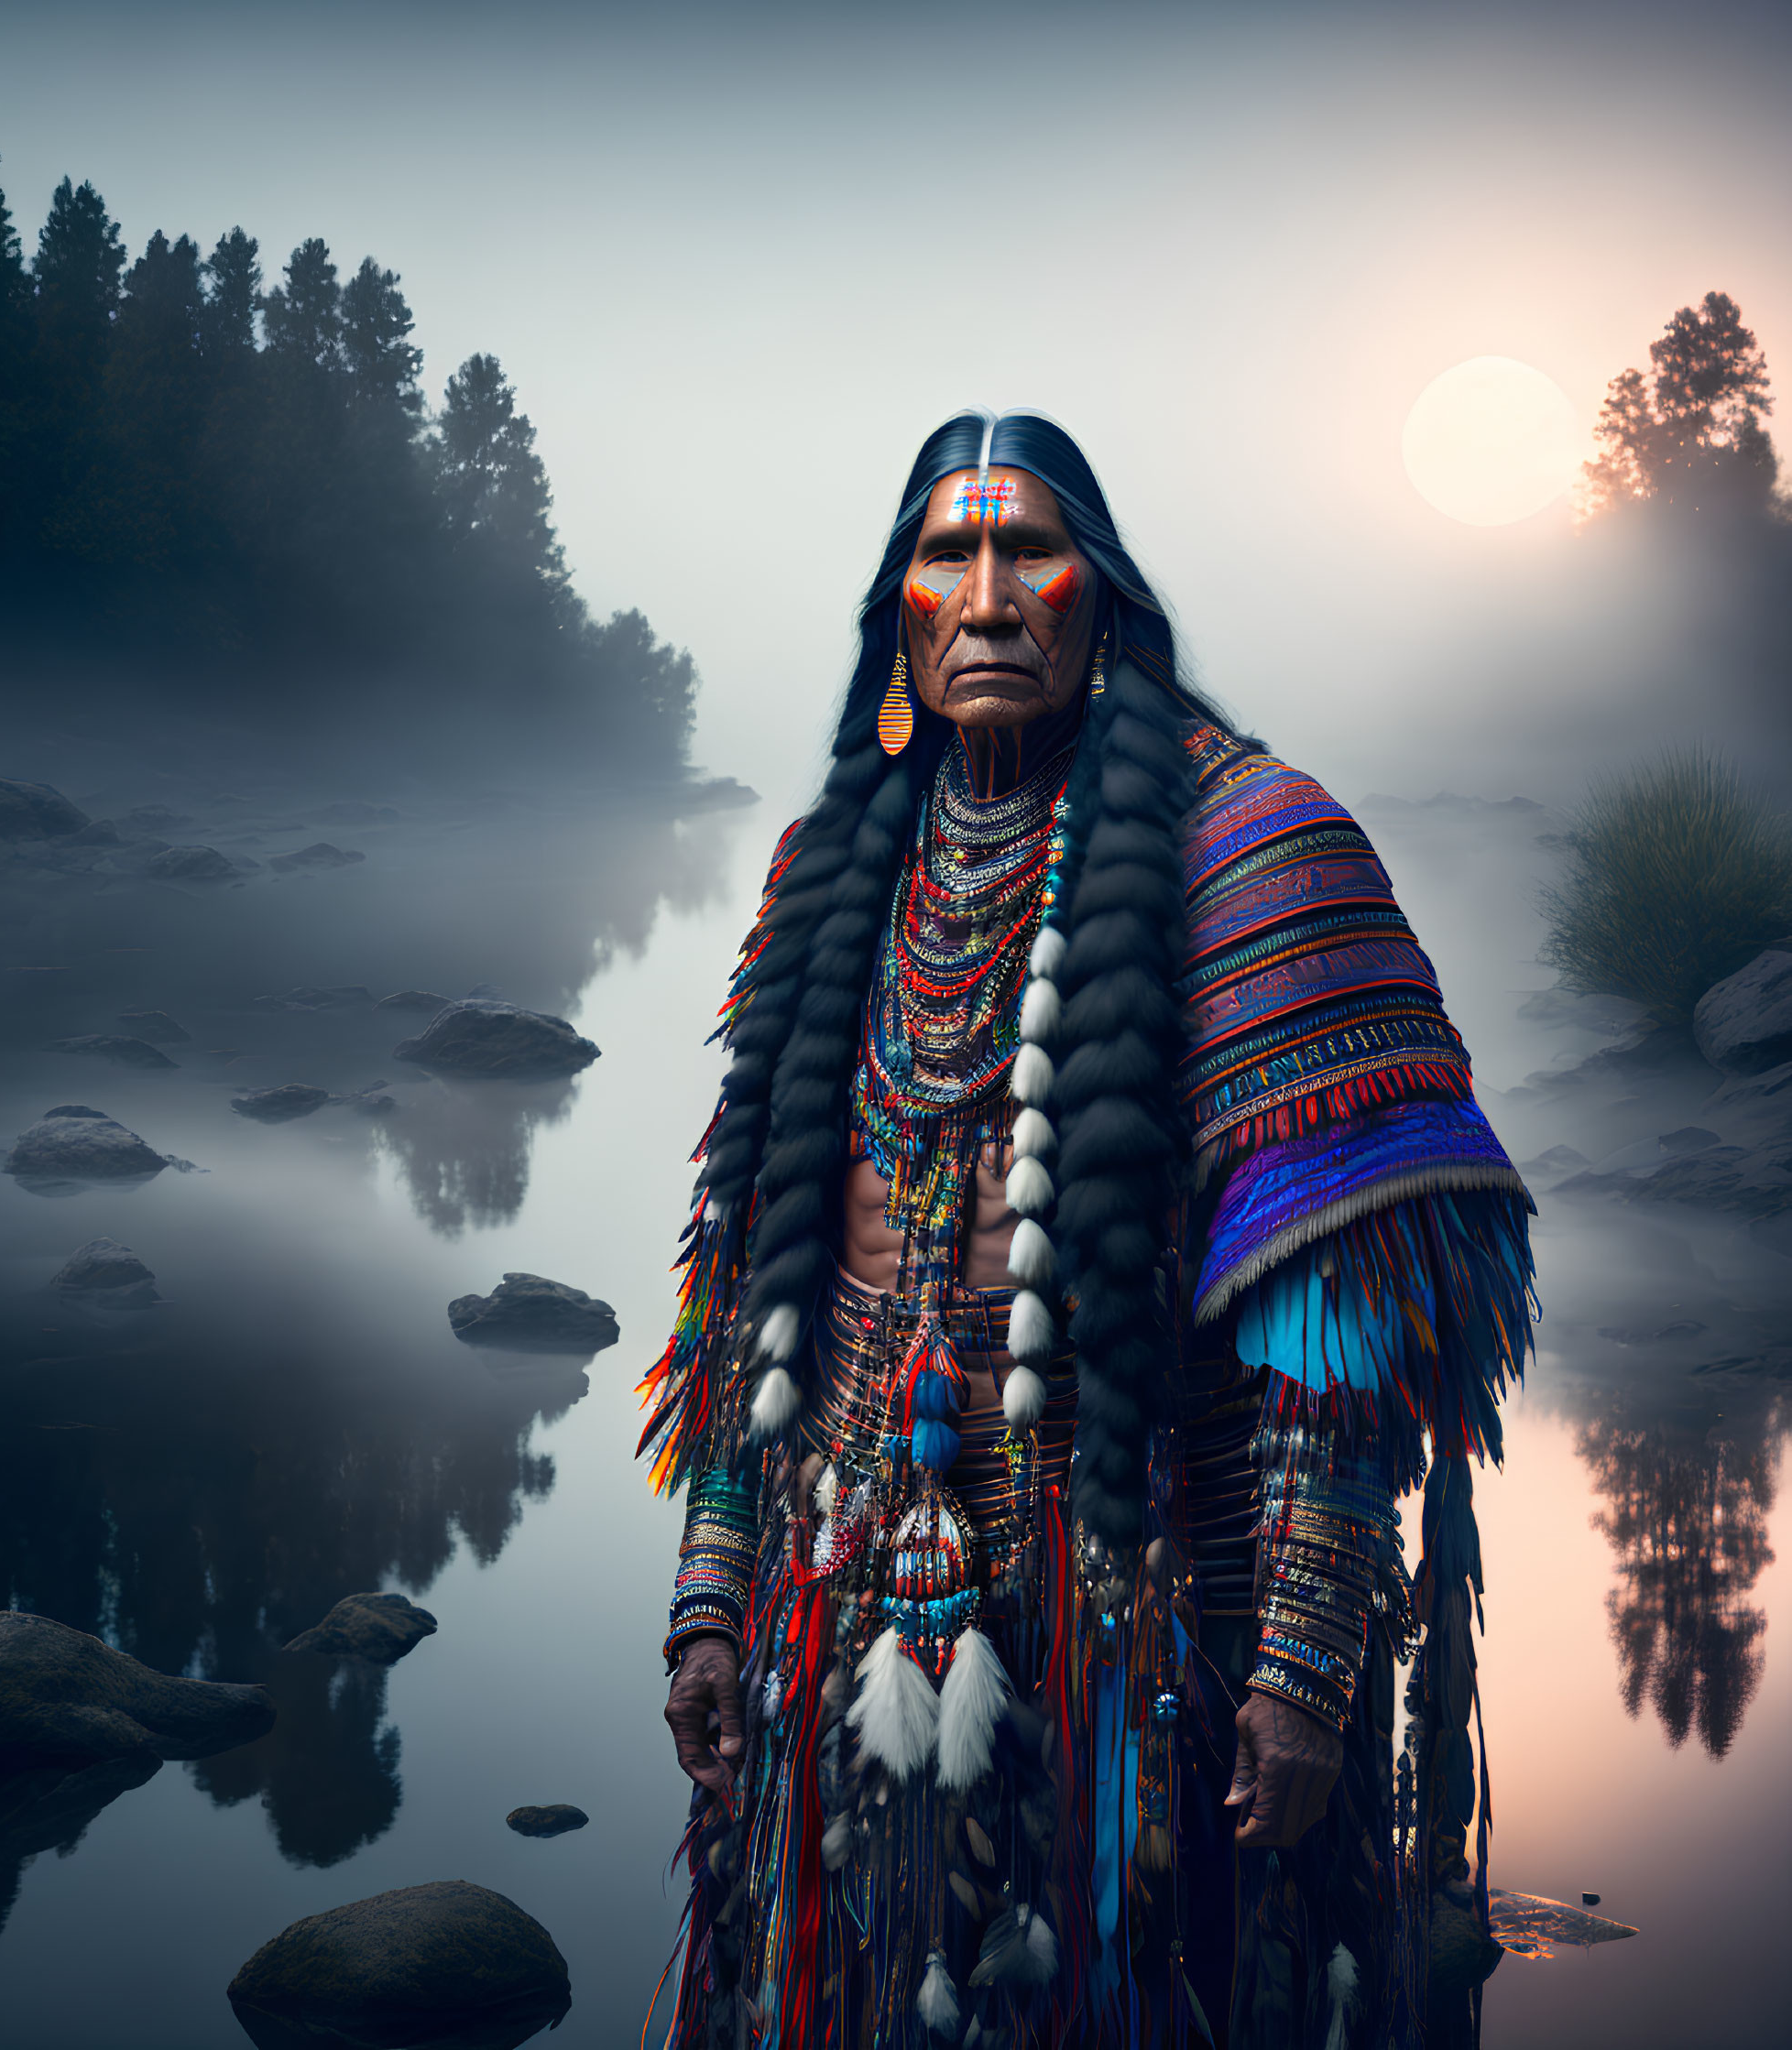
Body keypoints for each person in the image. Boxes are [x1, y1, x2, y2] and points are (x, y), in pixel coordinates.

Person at [640, 412, 1535, 2049]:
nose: (985, 599)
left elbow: (1336, 1329)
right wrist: (711, 1589)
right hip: (834, 1618)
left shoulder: (1259, 854)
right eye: (943, 557)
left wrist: (1305, 1661)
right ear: (897, 616)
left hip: (1146, 1631)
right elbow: (741, 1299)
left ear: (1100, 595)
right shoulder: (829, 870)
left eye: (1022, 552)